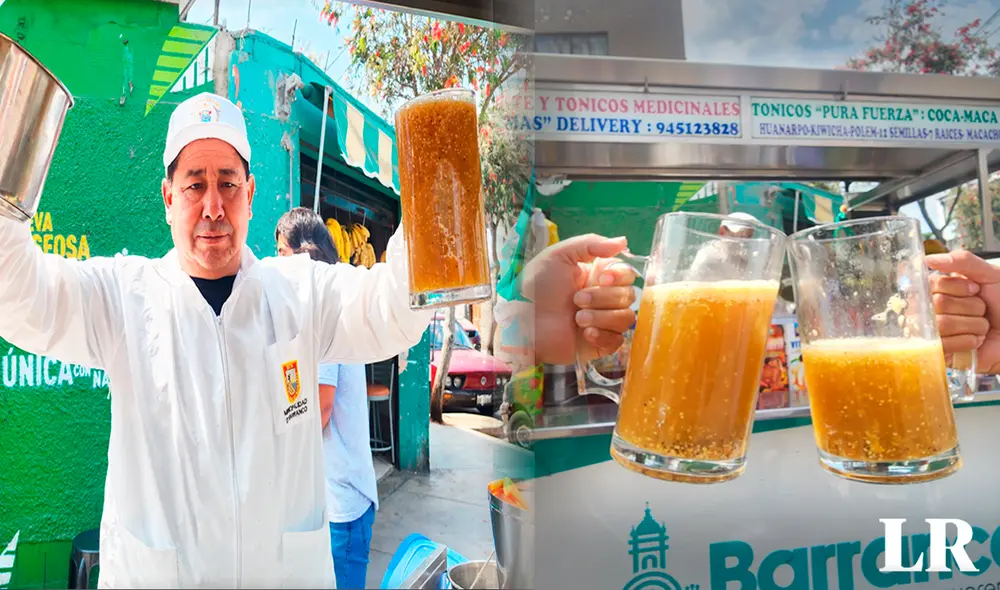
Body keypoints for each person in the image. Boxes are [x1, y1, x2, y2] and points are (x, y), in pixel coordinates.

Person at [0, 92, 434, 588]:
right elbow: (17, 296)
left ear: (249, 194)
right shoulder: (122, 298)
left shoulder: (300, 293)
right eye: (194, 185)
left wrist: (434, 206)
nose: (212, 206)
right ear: (168, 198)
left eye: (227, 184)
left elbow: (393, 308)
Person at [274, 208, 376, 590]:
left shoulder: (323, 310)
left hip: (342, 506)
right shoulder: (320, 307)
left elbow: (320, 406)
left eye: (281, 253)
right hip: (334, 502)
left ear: (305, 255)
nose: (276, 263)